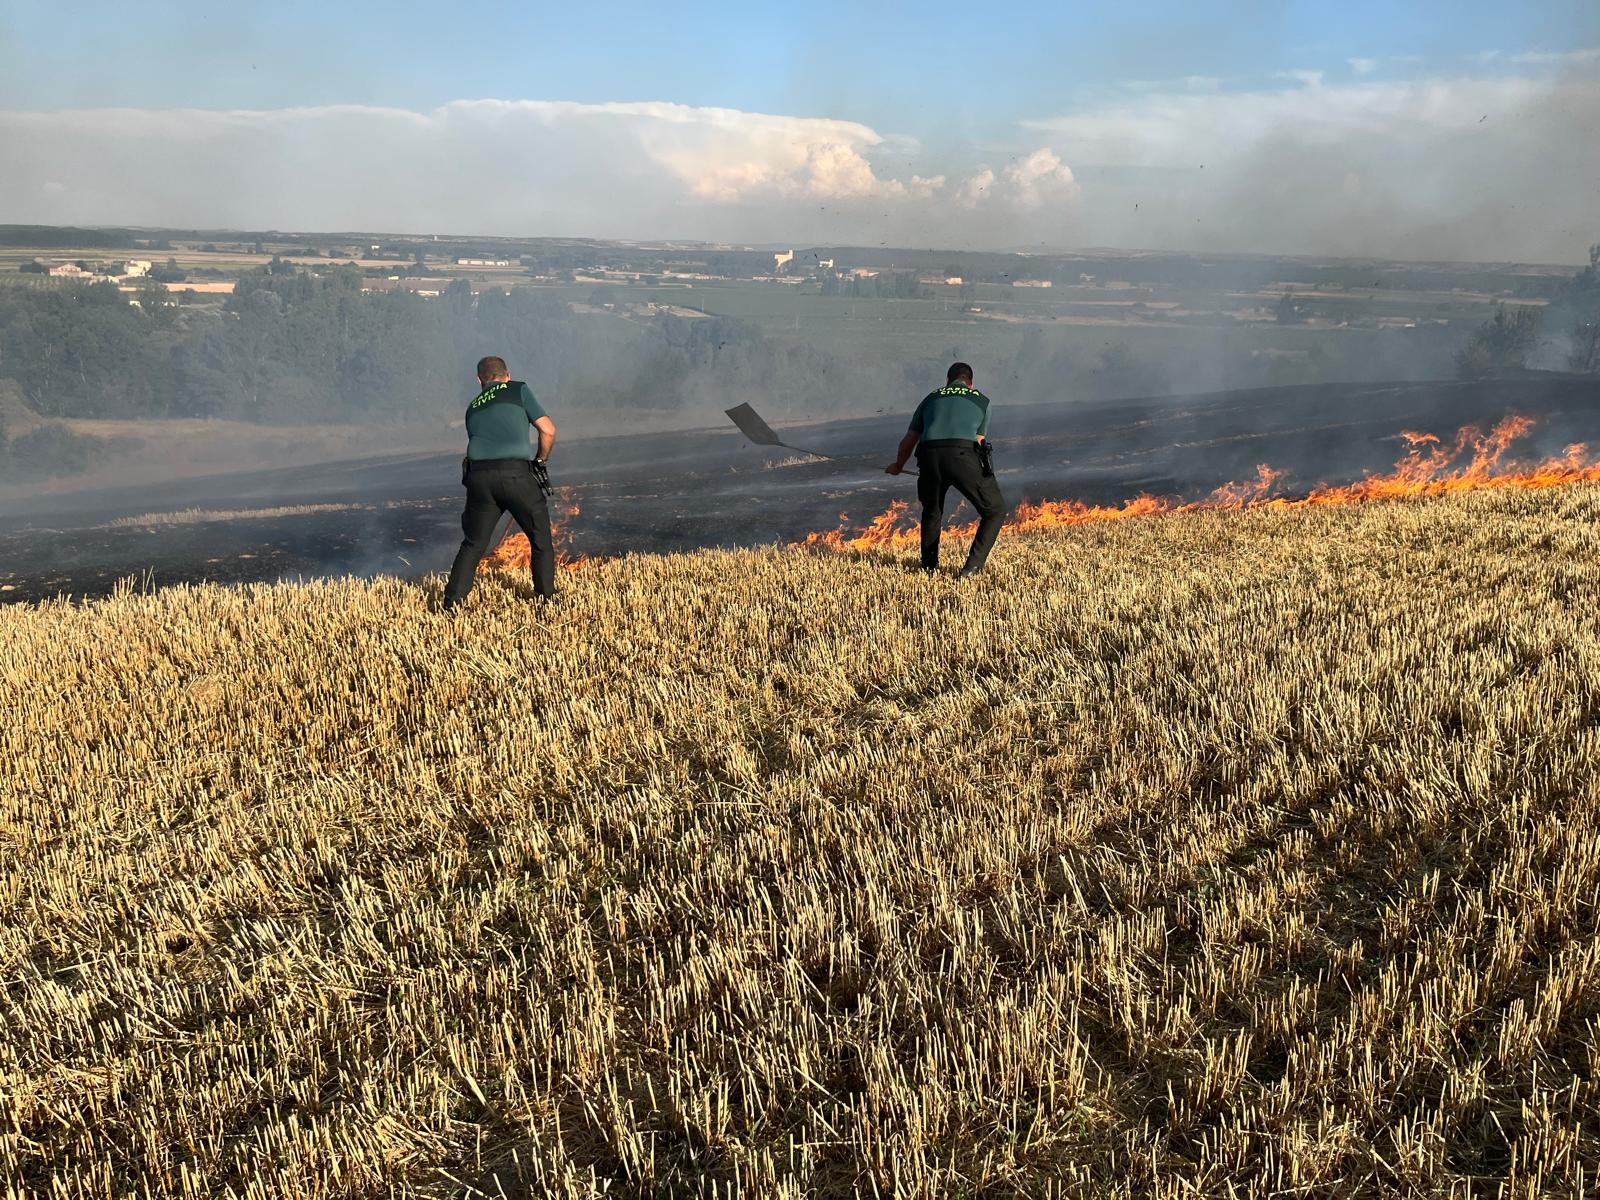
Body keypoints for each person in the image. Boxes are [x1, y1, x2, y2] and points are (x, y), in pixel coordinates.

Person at [441, 356, 558, 610]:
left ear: (479, 380)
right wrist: (540, 460)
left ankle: (452, 604)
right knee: (540, 538)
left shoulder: (472, 407)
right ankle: (547, 599)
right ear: (507, 374)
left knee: (473, 543)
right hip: (515, 474)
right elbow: (548, 430)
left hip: (479, 478)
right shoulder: (518, 389)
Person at [885, 362, 1006, 577]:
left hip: (929, 455)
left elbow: (909, 440)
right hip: (962, 455)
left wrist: (897, 466)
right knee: (994, 510)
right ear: (971, 383)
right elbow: (979, 441)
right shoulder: (981, 400)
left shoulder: (930, 398)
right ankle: (971, 569)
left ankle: (929, 568)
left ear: (947, 381)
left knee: (932, 512)